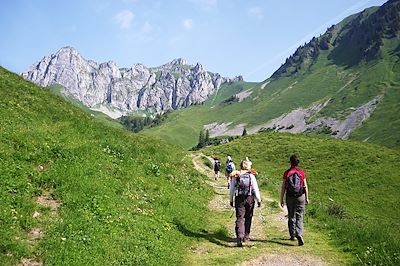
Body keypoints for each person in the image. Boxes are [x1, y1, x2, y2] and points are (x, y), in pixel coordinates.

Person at [229, 158, 261, 247]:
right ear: (248, 167)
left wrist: (231, 200)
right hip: (250, 198)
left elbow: (232, 189)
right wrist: (259, 200)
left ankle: (240, 236)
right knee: (248, 217)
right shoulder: (251, 176)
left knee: (240, 217)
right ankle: (246, 236)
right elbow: (255, 189)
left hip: (239, 198)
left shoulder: (236, 175)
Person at [280, 154, 309, 246]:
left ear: (290, 162)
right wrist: (307, 198)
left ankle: (292, 235)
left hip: (290, 196)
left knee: (291, 215)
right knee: (299, 216)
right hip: (300, 196)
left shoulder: (287, 172)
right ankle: (299, 234)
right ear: (298, 162)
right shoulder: (301, 172)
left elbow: (283, 187)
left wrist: (281, 199)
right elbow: (305, 186)